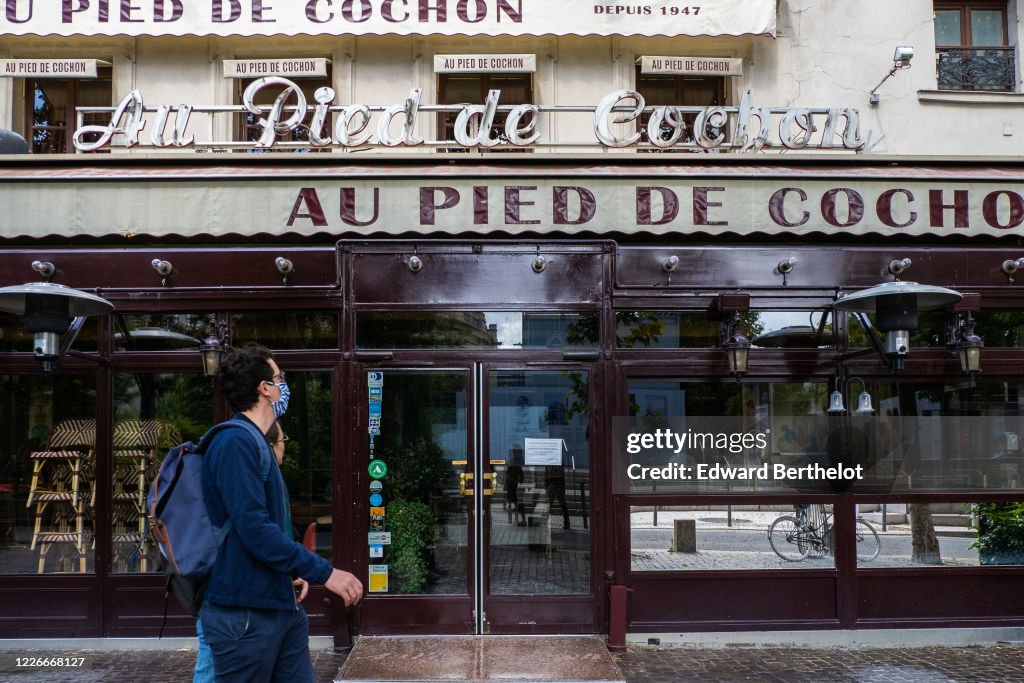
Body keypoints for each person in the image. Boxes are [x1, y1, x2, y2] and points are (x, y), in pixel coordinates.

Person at [198, 344, 362, 682]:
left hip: (277, 606)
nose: (282, 385)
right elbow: (254, 528)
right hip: (245, 614)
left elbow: (265, 528)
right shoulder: (234, 443)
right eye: (279, 378)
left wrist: (289, 572)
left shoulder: (256, 443)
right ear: (265, 388)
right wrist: (325, 572)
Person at [193, 420, 305, 683]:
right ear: (271, 445)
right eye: (283, 441)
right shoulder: (247, 469)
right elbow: (257, 534)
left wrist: (293, 571)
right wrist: (319, 571)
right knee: (210, 669)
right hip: (232, 599)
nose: (284, 449)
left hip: (243, 597)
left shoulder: (265, 480)